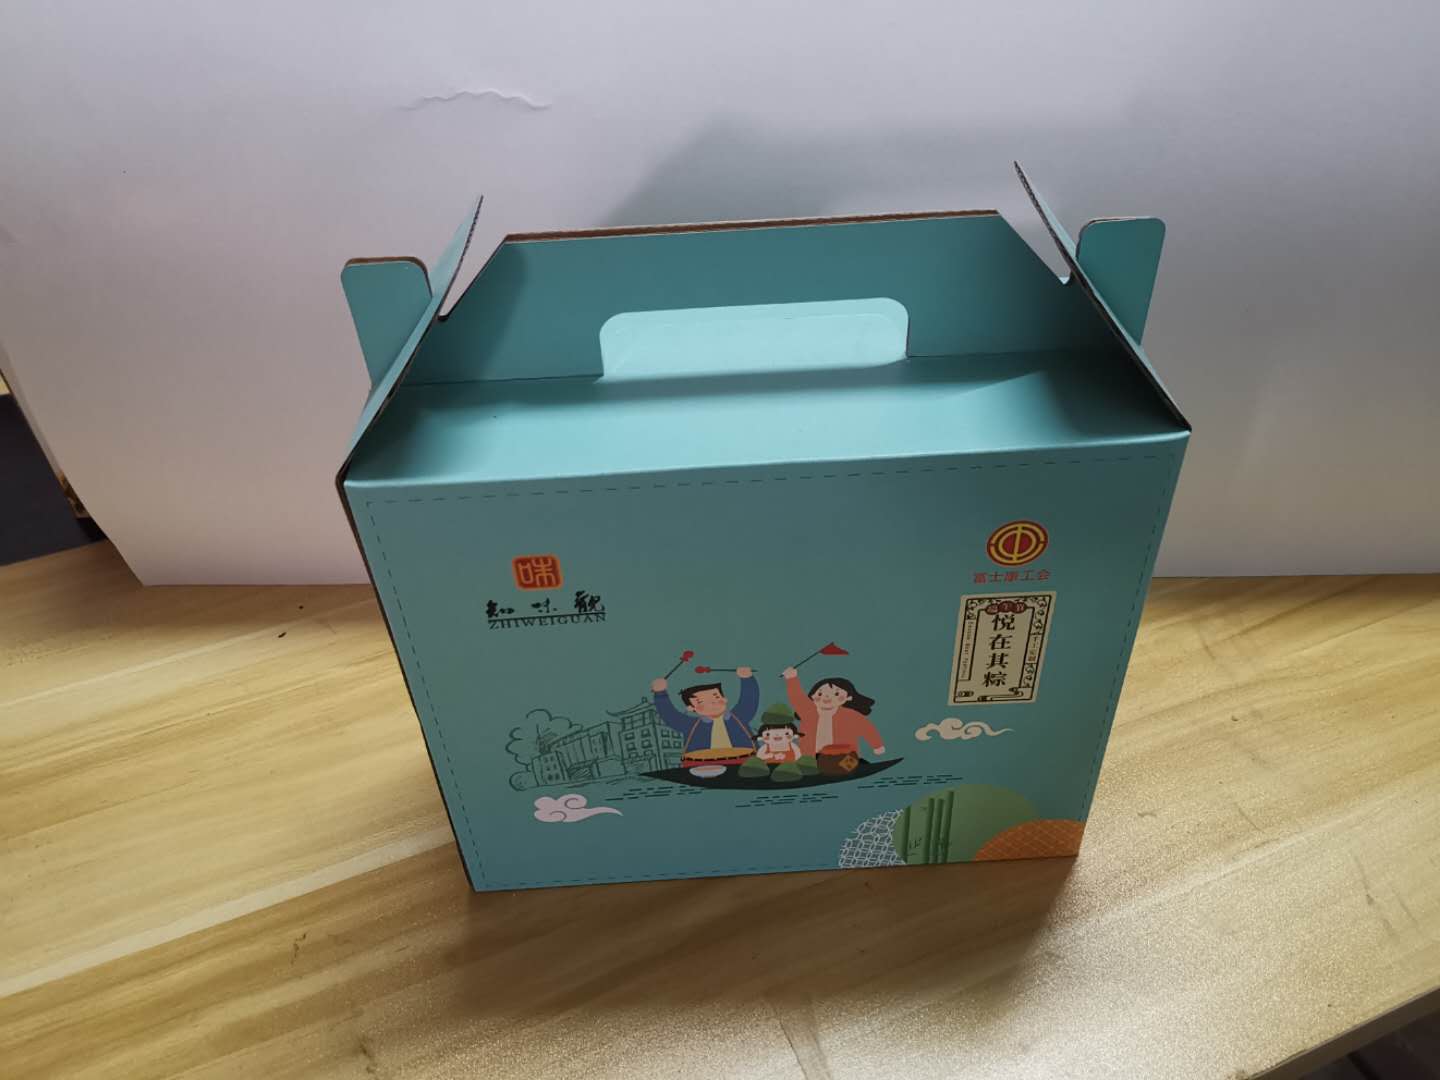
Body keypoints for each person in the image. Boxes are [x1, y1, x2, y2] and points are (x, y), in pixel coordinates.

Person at [651, 667, 759, 756]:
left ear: (725, 699)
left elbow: (749, 701)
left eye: (716, 697)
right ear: (691, 708)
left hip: (745, 760)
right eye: (701, 702)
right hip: (703, 765)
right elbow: (671, 716)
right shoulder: (690, 725)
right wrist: (660, 693)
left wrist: (747, 679)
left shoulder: (740, 716)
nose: (712, 703)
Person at [781, 669, 886, 757]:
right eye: (820, 693)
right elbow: (797, 698)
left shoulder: (851, 716)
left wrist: (877, 745)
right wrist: (792, 679)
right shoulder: (808, 712)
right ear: (812, 696)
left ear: (849, 697)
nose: (826, 697)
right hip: (810, 757)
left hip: (844, 757)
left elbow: (867, 729)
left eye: (836, 694)